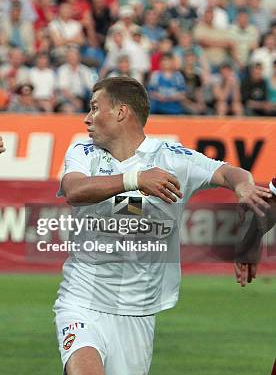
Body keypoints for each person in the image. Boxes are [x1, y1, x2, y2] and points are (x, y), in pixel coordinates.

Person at [55, 77, 271, 375]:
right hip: (81, 300)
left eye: (94, 108)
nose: (86, 118)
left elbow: (230, 172)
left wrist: (243, 188)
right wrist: (136, 180)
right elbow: (74, 191)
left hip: (138, 311)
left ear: (121, 112)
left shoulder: (173, 158)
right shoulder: (83, 152)